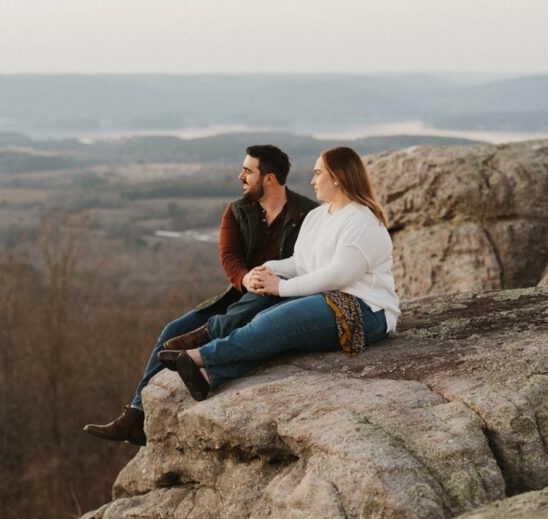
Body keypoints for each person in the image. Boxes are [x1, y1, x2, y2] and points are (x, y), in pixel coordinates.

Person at [83, 145, 319, 445]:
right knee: (172, 330)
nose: (240, 176)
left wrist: (273, 282)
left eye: (248, 171)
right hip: (240, 295)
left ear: (269, 178)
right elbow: (229, 257)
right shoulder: (237, 211)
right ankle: (136, 416)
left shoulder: (308, 214)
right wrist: (246, 278)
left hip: (283, 296)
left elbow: (312, 262)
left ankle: (203, 344)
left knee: (246, 313)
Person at [168, 146, 400, 401]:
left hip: (364, 311)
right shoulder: (318, 216)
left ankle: (201, 355)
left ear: (337, 176)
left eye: (318, 173)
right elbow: (300, 262)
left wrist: (281, 288)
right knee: (267, 317)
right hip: (326, 298)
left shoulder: (360, 221)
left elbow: (338, 275)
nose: (312, 180)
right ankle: (209, 376)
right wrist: (268, 270)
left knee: (276, 322)